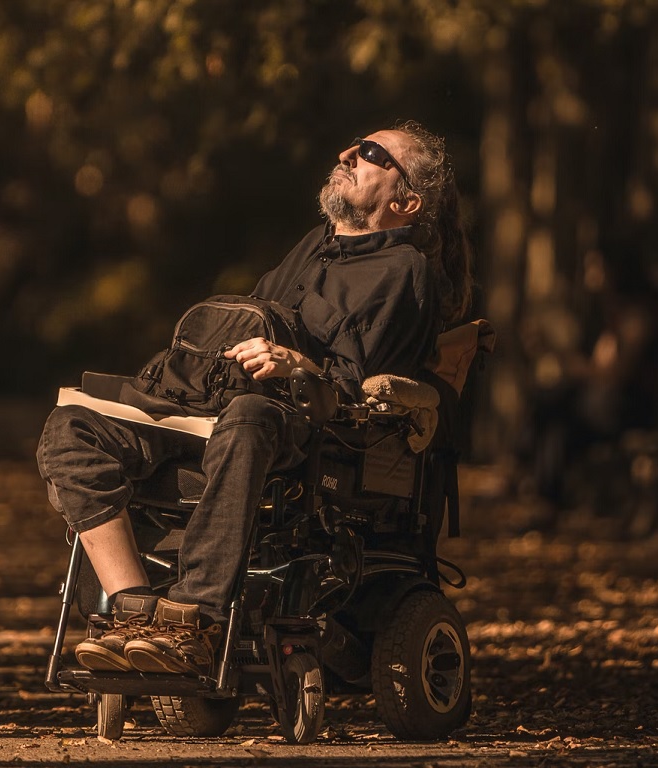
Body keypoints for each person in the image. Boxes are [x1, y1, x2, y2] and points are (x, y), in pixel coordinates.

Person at [36, 121, 473, 678]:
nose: (347, 154)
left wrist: (299, 364)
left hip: (303, 434)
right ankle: (134, 613)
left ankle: (192, 620)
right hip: (210, 412)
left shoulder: (405, 273)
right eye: (352, 146)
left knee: (249, 417)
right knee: (72, 426)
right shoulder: (312, 245)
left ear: (405, 201)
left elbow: (361, 394)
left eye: (369, 153)